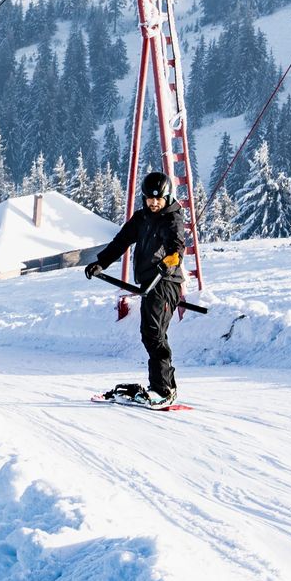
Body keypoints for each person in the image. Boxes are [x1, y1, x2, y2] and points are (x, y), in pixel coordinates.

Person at [87, 171, 188, 406]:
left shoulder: (172, 220)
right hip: (149, 285)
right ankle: (161, 387)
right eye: (149, 199)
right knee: (149, 334)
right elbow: (121, 241)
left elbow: (176, 248)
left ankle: (164, 389)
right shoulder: (142, 218)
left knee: (154, 334)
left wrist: (169, 261)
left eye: (158, 199)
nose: (154, 203)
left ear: (167, 197)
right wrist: (101, 262)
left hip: (166, 283)